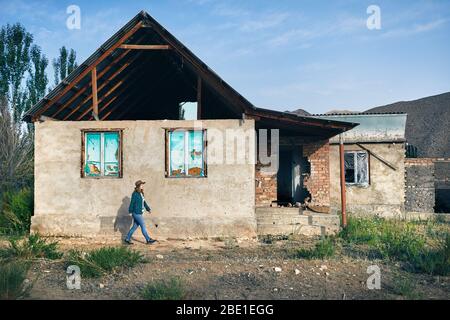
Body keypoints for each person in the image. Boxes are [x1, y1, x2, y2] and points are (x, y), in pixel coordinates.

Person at [124, 180, 157, 245]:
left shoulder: (141, 194)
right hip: (136, 213)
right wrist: (130, 211)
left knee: (134, 227)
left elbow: (144, 203)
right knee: (143, 225)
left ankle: (127, 239)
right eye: (141, 185)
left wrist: (148, 209)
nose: (142, 186)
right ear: (138, 186)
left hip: (139, 212)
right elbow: (132, 203)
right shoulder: (135, 194)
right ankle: (148, 239)